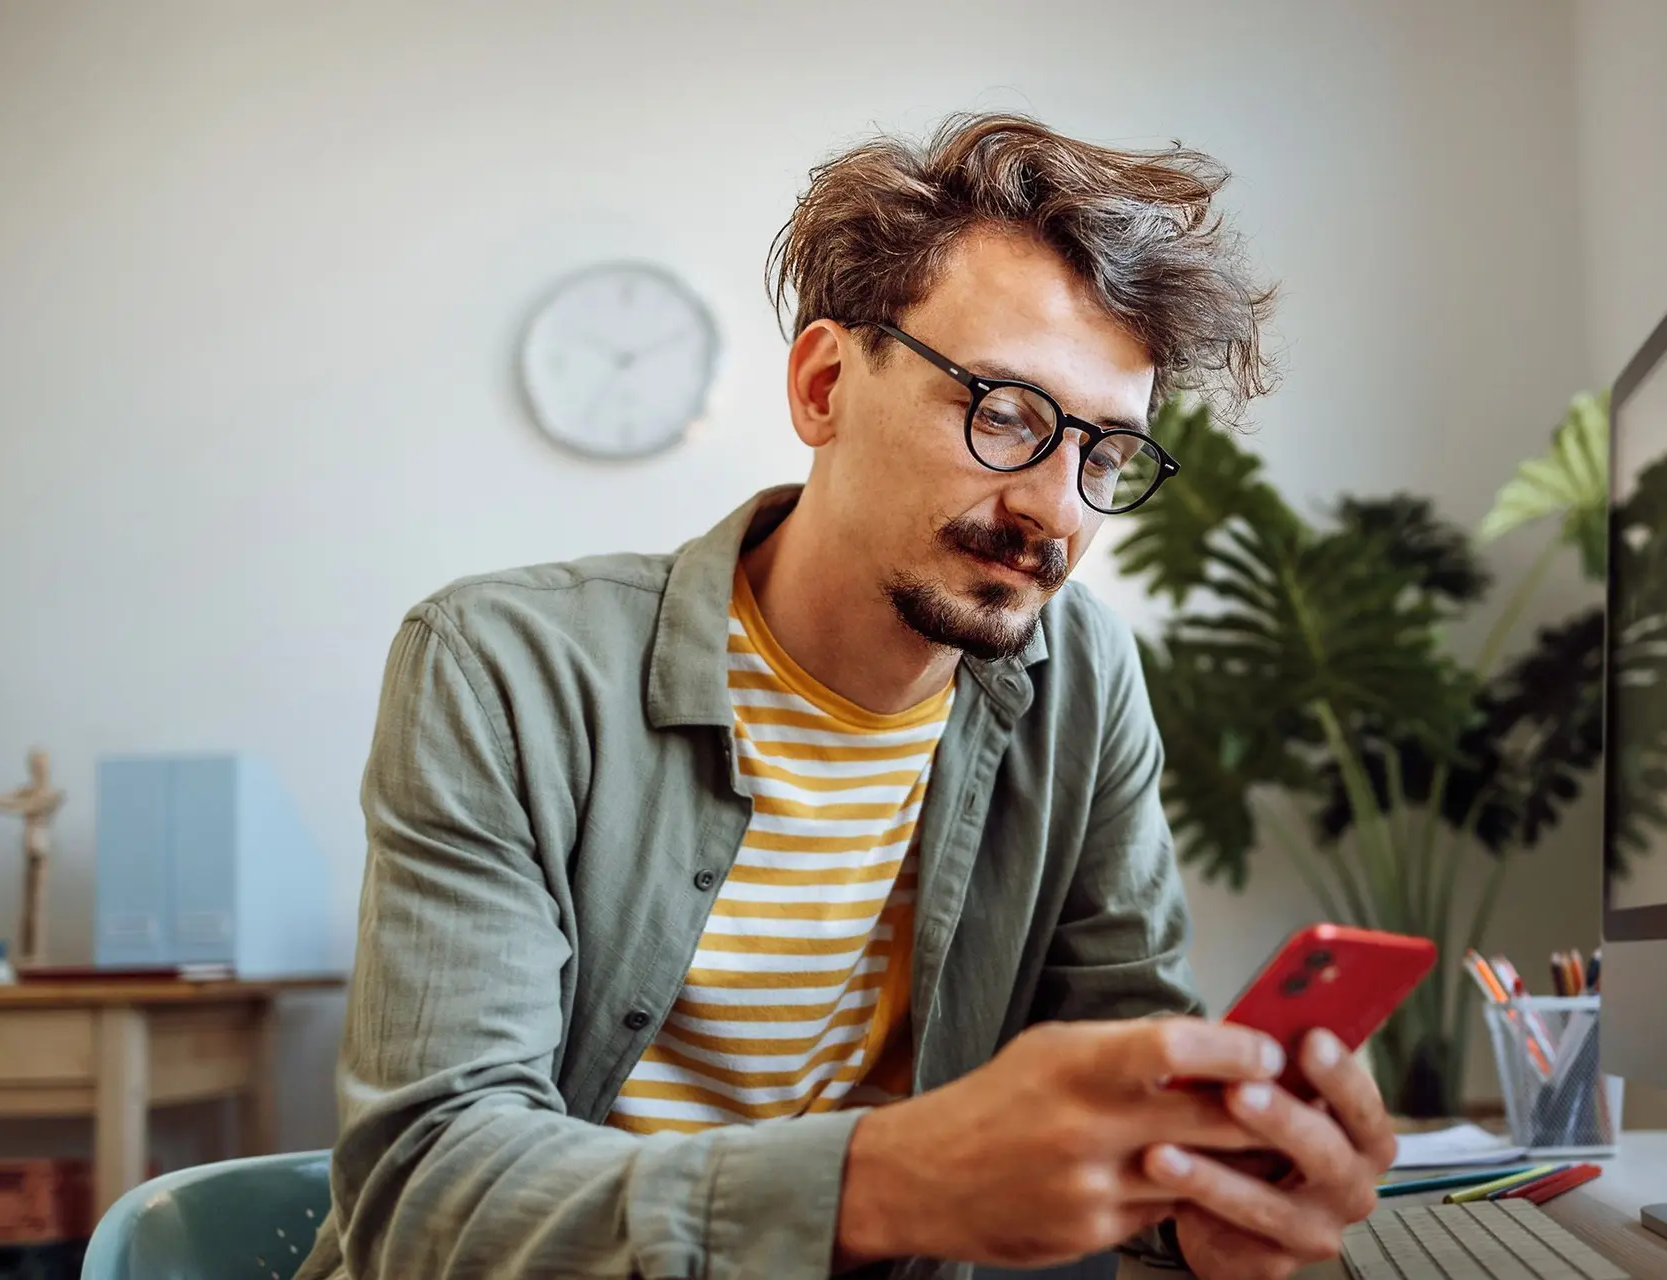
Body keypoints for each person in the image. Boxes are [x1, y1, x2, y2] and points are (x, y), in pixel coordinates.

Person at [297, 112, 1393, 1280]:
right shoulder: (501, 668)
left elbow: (1128, 1083)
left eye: (1106, 455)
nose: (1060, 511)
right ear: (824, 384)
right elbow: (426, 1195)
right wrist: (888, 1176)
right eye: (1008, 413)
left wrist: (1211, 1188)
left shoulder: (1084, 682)